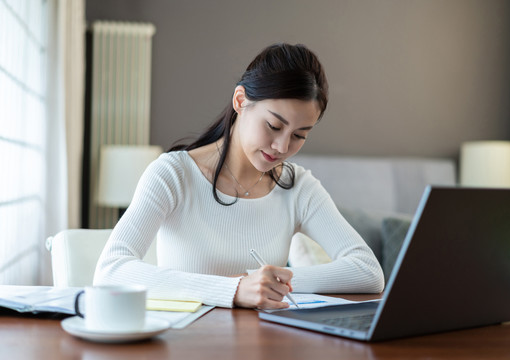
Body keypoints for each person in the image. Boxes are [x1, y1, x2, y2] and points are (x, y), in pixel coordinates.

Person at [94, 43, 384, 309]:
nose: (282, 147)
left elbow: (368, 271)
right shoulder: (173, 174)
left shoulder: (298, 187)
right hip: (187, 340)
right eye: (273, 125)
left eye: (299, 135)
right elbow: (110, 270)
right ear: (240, 100)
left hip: (264, 343)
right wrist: (233, 288)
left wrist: (263, 283)